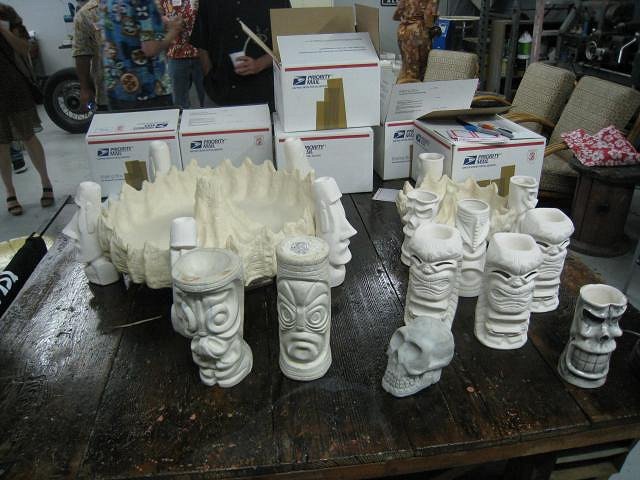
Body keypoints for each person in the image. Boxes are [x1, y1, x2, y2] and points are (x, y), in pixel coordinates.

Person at [0, 4, 53, 216]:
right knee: (1, 144)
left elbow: (24, 48)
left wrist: (2, 29)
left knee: (28, 135)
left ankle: (46, 182)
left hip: (15, 87)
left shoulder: (6, 14)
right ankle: (10, 192)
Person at [190, 0, 290, 111]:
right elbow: (202, 42)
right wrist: (209, 76)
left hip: (264, 95)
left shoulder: (279, 2)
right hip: (218, 92)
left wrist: (260, 63)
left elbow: (289, 42)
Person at [99, 0, 183, 110]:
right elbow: (150, 49)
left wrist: (160, 23)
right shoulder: (144, 2)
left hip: (116, 87)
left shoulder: (105, 2)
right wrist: (173, 31)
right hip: (148, 89)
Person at [158, 0, 205, 109]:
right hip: (175, 54)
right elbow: (156, 15)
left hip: (202, 53)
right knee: (179, 104)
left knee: (209, 98)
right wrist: (167, 22)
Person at [73, 0, 107, 111]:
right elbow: (81, 54)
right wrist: (85, 88)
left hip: (146, 87)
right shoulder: (85, 14)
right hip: (107, 91)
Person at [393, 0, 438, 84]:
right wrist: (431, 25)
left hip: (403, 31)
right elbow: (429, 15)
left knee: (406, 67)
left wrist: (407, 17)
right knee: (419, 69)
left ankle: (400, 89)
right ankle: (414, 90)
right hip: (418, 32)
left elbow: (398, 12)